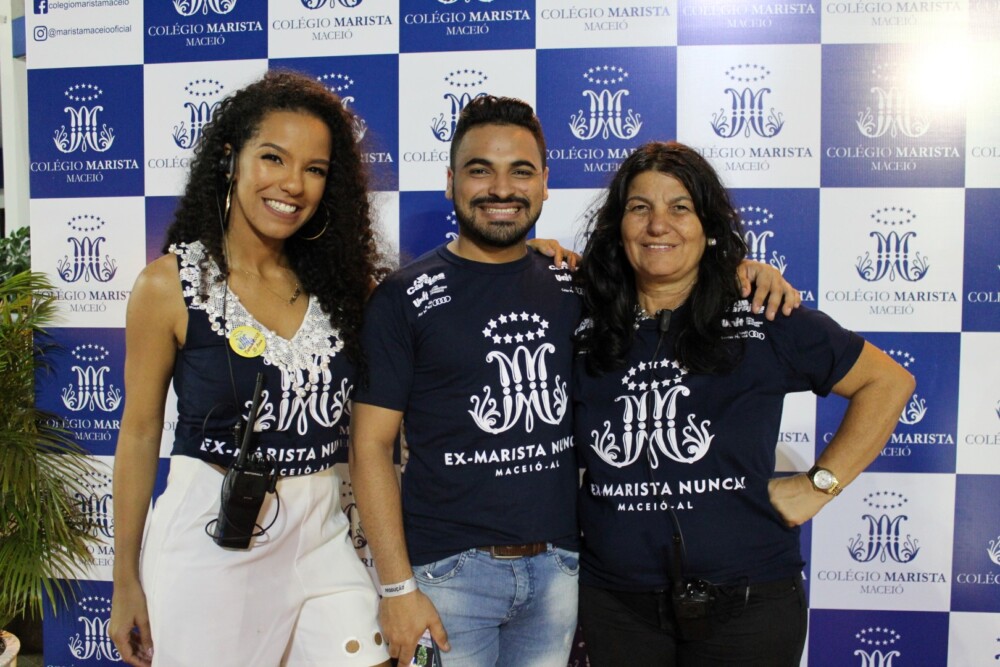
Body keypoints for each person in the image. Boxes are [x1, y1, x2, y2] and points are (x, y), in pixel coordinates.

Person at [348, 97, 799, 667]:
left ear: (544, 184)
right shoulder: (402, 298)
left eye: (521, 171)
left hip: (560, 571)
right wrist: (396, 588)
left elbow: (667, 274)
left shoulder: (578, 285)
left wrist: (741, 271)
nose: (501, 188)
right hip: (447, 576)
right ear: (450, 181)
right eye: (480, 169)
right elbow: (370, 446)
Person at [572, 141, 916, 666]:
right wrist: (539, 252)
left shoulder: (761, 310)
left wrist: (819, 485)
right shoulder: (580, 319)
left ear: (707, 227)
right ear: (618, 227)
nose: (658, 224)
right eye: (639, 207)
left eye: (680, 207)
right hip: (617, 603)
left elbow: (887, 382)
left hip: (750, 602)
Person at [109, 71, 390, 667]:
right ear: (230, 159)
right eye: (273, 157)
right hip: (213, 538)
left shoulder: (342, 288)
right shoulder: (168, 286)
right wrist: (125, 576)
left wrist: (535, 256)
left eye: (315, 169)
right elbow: (138, 432)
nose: (293, 183)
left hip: (323, 531)